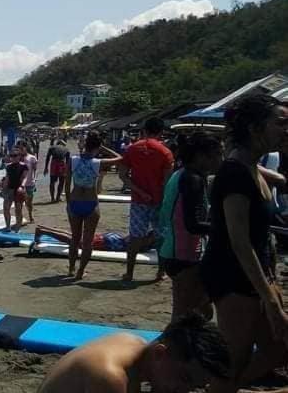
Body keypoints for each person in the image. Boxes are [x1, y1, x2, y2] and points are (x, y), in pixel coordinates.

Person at [200, 95, 288, 392]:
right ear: (254, 127)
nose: (286, 129)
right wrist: (270, 297)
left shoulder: (252, 166)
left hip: (256, 272)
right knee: (232, 361)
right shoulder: (235, 173)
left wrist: (270, 285)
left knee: (279, 347)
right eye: (280, 122)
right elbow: (240, 242)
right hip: (233, 276)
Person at [38, 314, 230, 393]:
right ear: (160, 353)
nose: (183, 390)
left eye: (193, 387)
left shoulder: (133, 344)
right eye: (184, 378)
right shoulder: (109, 376)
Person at [158, 133, 222, 322]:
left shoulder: (181, 173)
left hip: (174, 251)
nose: (221, 159)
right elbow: (192, 224)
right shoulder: (192, 179)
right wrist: (226, 228)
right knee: (184, 316)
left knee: (202, 312)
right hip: (185, 255)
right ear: (202, 156)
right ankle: (167, 350)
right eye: (218, 154)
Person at [118, 118, 174, 282]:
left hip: (138, 201)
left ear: (144, 130)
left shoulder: (132, 149)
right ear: (161, 132)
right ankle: (160, 272)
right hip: (160, 201)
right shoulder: (165, 152)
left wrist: (139, 191)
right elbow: (168, 182)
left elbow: (123, 175)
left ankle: (129, 272)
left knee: (135, 237)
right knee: (161, 237)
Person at [65, 131, 123, 280]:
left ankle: (71, 269)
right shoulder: (98, 163)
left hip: (75, 201)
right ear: (97, 147)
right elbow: (120, 158)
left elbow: (66, 184)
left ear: (85, 144)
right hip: (91, 203)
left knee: (75, 238)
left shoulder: (73, 160)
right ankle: (80, 272)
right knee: (87, 241)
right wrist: (104, 148)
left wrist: (68, 202)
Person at [33, 224, 129, 252]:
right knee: (72, 240)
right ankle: (42, 231)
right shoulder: (124, 245)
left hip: (109, 237)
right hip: (105, 240)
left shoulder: (123, 239)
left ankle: (43, 229)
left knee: (73, 236)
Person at [0, 151, 28, 231]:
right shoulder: (8, 166)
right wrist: (3, 189)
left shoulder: (24, 166)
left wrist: (22, 186)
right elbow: (7, 178)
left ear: (19, 156)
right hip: (9, 189)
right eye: (12, 156)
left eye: (15, 156)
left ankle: (18, 227)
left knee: (18, 210)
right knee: (6, 208)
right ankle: (8, 226)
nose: (13, 158)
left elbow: (25, 177)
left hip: (19, 189)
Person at [19, 143, 39, 223]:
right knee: (20, 202)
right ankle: (20, 217)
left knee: (29, 202)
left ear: (25, 148)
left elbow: (35, 170)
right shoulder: (17, 158)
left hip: (30, 182)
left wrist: (35, 179)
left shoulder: (32, 158)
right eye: (19, 148)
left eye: (22, 148)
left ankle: (30, 215)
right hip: (20, 184)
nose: (21, 150)